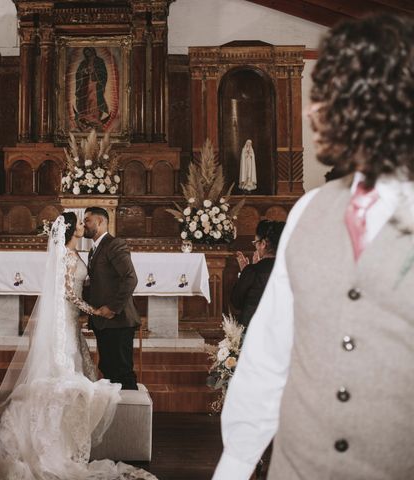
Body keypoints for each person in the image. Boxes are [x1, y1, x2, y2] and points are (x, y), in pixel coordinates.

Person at [213, 14, 414, 479]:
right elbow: (269, 350)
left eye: (328, 97)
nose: (309, 111)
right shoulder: (307, 212)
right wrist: (236, 463)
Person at [0, 214, 155, 480]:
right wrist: (94, 311)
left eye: (86, 221)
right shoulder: (68, 256)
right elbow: (69, 293)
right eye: (80, 223)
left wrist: (97, 309)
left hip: (72, 319)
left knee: (87, 369)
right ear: (70, 230)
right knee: (67, 371)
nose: (83, 226)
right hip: (67, 318)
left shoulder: (80, 252)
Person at [84, 206, 140, 390]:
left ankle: (130, 415)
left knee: (123, 372)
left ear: (99, 222)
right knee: (107, 370)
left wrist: (113, 308)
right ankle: (115, 415)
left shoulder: (114, 244)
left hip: (118, 321)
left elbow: (130, 278)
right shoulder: (94, 249)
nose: (84, 225)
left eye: (87, 220)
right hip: (103, 322)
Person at [231, 220, 285, 328]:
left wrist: (245, 273)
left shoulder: (252, 271)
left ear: (263, 244)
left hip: (253, 331)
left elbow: (236, 302)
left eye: (255, 243)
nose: (255, 246)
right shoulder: (290, 271)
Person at [74, 47, 109, 130]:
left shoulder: (99, 61)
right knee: (86, 101)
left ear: (93, 51)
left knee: (94, 101)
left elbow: (103, 73)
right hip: (85, 85)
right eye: (86, 53)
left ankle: (95, 120)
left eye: (89, 52)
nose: (88, 54)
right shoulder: (83, 63)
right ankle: (87, 119)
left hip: (96, 85)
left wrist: (95, 72)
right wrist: (84, 72)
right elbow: (78, 74)